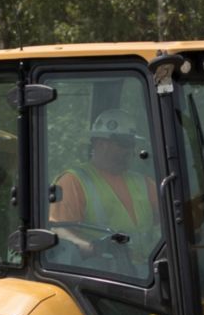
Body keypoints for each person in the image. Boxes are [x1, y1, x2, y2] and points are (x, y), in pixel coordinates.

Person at [52, 108, 157, 263]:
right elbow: (58, 230)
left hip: (145, 273)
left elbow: (169, 219)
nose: (130, 150)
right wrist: (93, 248)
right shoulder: (74, 181)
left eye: (132, 144)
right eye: (124, 143)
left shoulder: (143, 182)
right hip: (102, 276)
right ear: (101, 143)